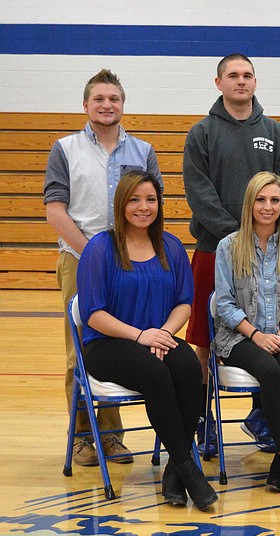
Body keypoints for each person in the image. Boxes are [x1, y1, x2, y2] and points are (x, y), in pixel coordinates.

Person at [76, 171, 217, 510]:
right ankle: (187, 466)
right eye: (135, 199)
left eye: (151, 199)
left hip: (158, 336)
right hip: (107, 343)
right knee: (155, 373)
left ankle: (173, 470)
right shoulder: (100, 248)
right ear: (121, 203)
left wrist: (165, 332)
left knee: (187, 367)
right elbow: (93, 313)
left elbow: (185, 302)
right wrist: (140, 335)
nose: (144, 207)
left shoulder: (170, 245)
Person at [44, 69, 163, 467]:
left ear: (122, 104)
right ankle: (81, 438)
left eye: (113, 98)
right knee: (77, 350)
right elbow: (55, 211)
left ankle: (110, 436)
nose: (107, 105)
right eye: (99, 99)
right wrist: (97, 253)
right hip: (78, 261)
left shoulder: (143, 151)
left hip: (131, 264)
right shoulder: (65, 148)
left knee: (117, 346)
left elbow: (152, 208)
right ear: (86, 105)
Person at [183, 53, 280, 455]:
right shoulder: (201, 133)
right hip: (215, 251)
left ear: (255, 81)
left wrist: (259, 238)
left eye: (247, 75)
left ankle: (261, 417)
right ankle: (201, 419)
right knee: (202, 340)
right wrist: (238, 238)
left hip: (269, 253)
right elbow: (198, 195)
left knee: (267, 327)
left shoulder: (276, 133)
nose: (241, 81)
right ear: (219, 83)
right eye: (233, 75)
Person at [213, 172, 280, 498]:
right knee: (269, 370)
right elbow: (223, 304)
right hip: (239, 337)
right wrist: (257, 335)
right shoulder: (228, 246)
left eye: (275, 200)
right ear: (250, 203)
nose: (268, 207)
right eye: (261, 199)